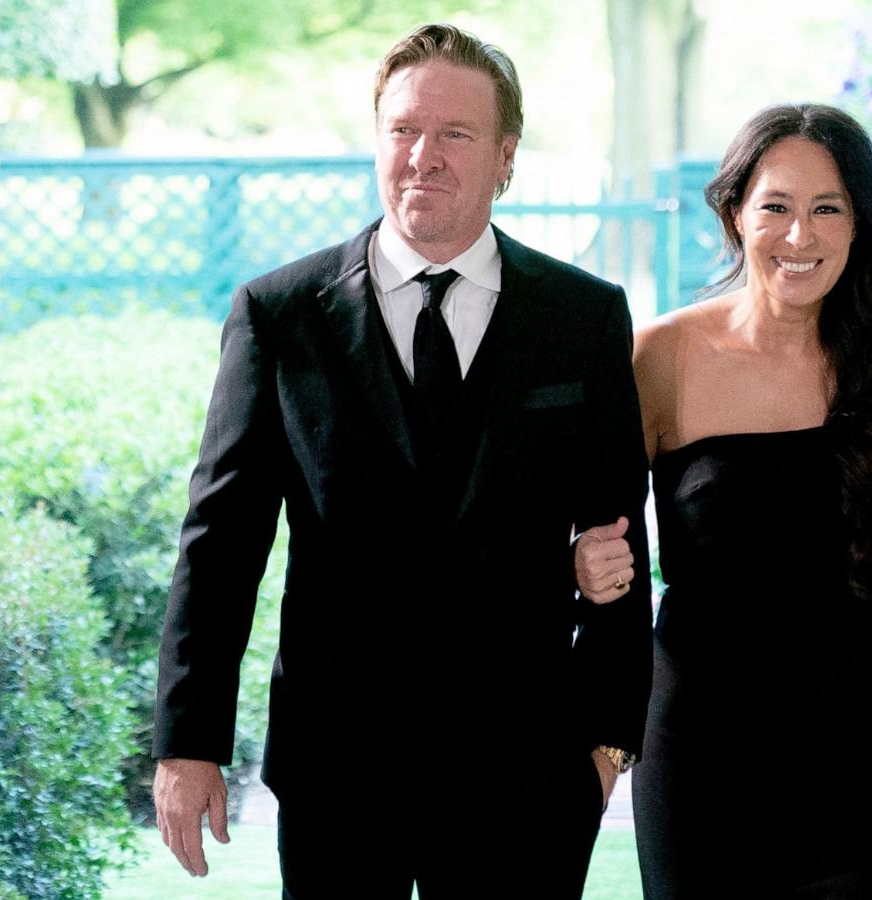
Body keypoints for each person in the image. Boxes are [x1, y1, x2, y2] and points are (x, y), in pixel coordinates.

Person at [151, 24, 653, 899]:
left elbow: (618, 543)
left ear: (504, 156)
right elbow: (220, 542)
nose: (425, 156)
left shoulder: (584, 316)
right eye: (403, 131)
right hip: (338, 766)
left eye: (455, 135)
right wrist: (189, 741)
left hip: (527, 774)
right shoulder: (279, 316)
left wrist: (608, 746)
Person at [574, 103, 872, 898]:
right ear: (736, 215)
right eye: (775, 207)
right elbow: (596, 541)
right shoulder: (660, 358)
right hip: (698, 746)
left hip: (854, 741)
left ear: (858, 224)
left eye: (826, 209)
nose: (799, 236)